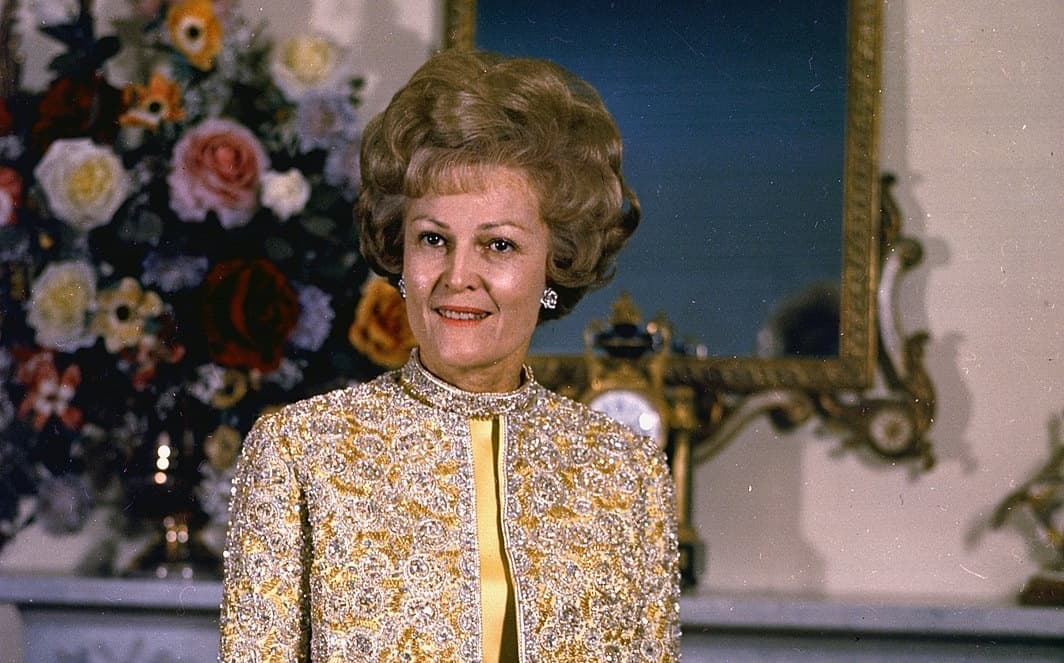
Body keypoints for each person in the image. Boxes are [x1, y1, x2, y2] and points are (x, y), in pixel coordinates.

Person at [219, 49, 680, 662]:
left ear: (555, 263)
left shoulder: (628, 473)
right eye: (433, 239)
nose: (458, 276)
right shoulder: (298, 452)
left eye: (499, 245)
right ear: (400, 256)